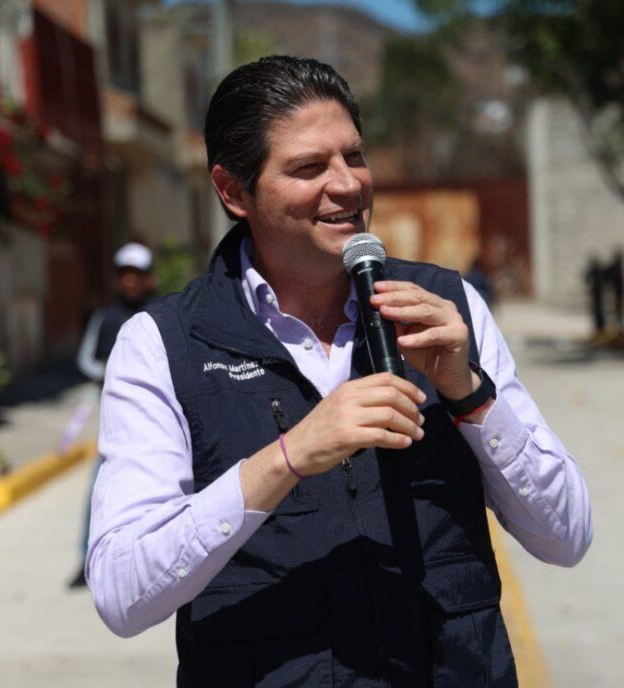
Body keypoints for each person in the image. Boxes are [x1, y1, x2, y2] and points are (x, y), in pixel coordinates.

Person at [87, 55, 591, 686]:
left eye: (354, 156)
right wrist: (289, 457)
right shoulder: (164, 345)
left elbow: (566, 535)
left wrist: (469, 395)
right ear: (234, 191)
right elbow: (122, 593)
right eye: (309, 167)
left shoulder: (448, 308)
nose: (349, 184)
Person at [67, 242, 155, 589]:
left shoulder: (162, 312)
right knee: (99, 490)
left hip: (156, 418)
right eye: (124, 274)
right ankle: (86, 560)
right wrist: (114, 371)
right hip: (114, 424)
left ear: (148, 278)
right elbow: (85, 359)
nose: (130, 282)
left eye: (137, 274)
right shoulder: (105, 317)